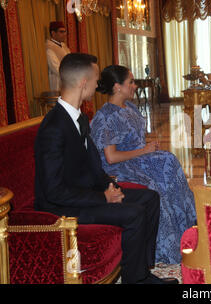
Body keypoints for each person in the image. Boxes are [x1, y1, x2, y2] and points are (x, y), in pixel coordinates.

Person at [34, 53, 177, 284]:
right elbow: (53, 191)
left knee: (150, 198)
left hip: (86, 192)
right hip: (62, 206)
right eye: (96, 79)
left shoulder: (78, 117)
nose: (98, 84)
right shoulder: (54, 126)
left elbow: (93, 165)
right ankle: (136, 281)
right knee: (135, 212)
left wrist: (111, 187)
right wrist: (103, 197)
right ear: (84, 82)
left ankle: (141, 271)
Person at [90, 65, 196, 264]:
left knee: (169, 163)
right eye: (130, 82)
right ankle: (165, 247)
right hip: (118, 168)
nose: (135, 85)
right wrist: (145, 151)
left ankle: (186, 227)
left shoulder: (128, 106)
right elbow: (111, 157)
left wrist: (147, 148)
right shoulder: (106, 117)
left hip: (136, 158)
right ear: (117, 86)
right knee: (155, 185)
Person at [46, 21, 71, 91]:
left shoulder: (64, 46)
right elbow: (56, 68)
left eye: (65, 32)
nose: (64, 34)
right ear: (53, 33)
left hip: (68, 81)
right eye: (61, 32)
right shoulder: (49, 47)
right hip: (57, 82)